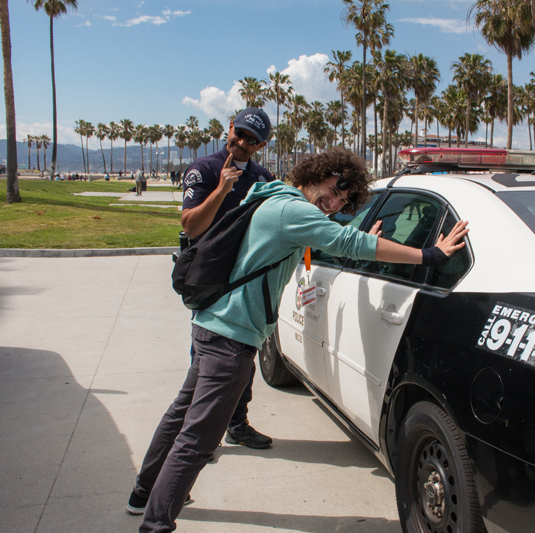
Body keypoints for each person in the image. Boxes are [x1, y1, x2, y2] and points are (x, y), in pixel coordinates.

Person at [128, 147, 468, 532]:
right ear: (317, 171)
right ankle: (155, 525)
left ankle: (143, 492)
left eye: (344, 199)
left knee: (181, 415)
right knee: (198, 441)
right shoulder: (294, 211)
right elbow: (346, 246)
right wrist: (430, 254)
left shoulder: (273, 195)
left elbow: (324, 242)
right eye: (336, 187)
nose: (335, 200)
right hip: (231, 338)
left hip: (212, 324)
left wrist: (352, 233)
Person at [178, 107, 275, 451]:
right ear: (230, 127)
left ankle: (236, 423)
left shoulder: (263, 178)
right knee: (206, 364)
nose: (243, 142)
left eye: (253, 140)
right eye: (241, 133)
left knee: (243, 362)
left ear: (262, 145)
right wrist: (221, 190)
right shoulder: (203, 169)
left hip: (245, 284)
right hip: (210, 281)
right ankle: (197, 433)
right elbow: (190, 226)